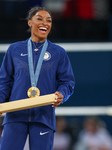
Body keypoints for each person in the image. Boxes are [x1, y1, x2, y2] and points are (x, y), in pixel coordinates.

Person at [0, 6, 75, 150]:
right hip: (15, 115)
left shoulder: (58, 52)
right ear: (30, 22)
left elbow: (68, 82)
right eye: (39, 19)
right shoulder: (14, 50)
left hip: (43, 116)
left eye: (49, 20)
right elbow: (3, 80)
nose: (45, 23)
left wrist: (62, 94)